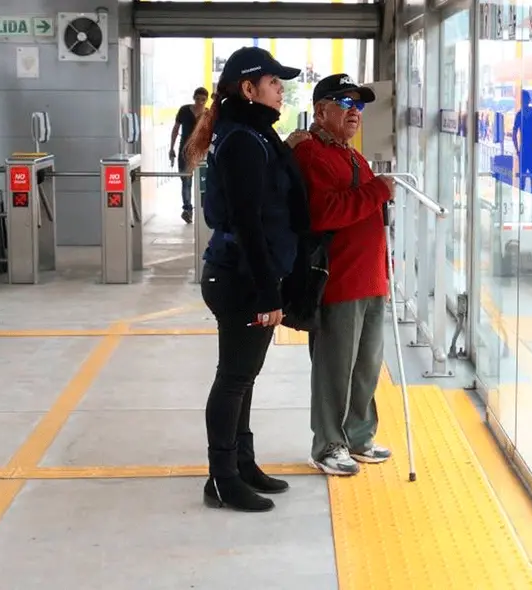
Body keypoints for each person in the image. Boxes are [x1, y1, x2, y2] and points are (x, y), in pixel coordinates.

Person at [183, 47, 310, 512]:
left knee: (244, 376)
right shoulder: (242, 140)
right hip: (240, 279)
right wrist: (267, 291)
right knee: (234, 378)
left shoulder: (252, 133)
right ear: (248, 88)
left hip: (241, 274)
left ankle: (242, 463)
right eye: (274, 83)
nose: (281, 90)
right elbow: (248, 222)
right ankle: (221, 478)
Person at [290, 74, 396, 476]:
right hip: (339, 280)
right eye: (346, 103)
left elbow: (367, 215)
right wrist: (378, 191)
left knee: (366, 366)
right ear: (321, 111)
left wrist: (385, 266)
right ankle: (328, 444)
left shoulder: (352, 156)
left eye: (359, 105)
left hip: (370, 279)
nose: (355, 112)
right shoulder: (312, 154)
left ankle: (358, 436)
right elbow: (323, 213)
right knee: (335, 368)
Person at [170, 87, 209, 224]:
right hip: (184, 151)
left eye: (203, 100)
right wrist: (171, 148)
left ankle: (204, 210)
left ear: (206, 100)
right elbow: (175, 129)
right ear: (193, 98)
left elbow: (210, 134)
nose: (200, 102)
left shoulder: (207, 114)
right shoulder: (184, 110)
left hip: (201, 151)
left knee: (203, 182)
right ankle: (187, 209)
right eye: (197, 99)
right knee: (186, 181)